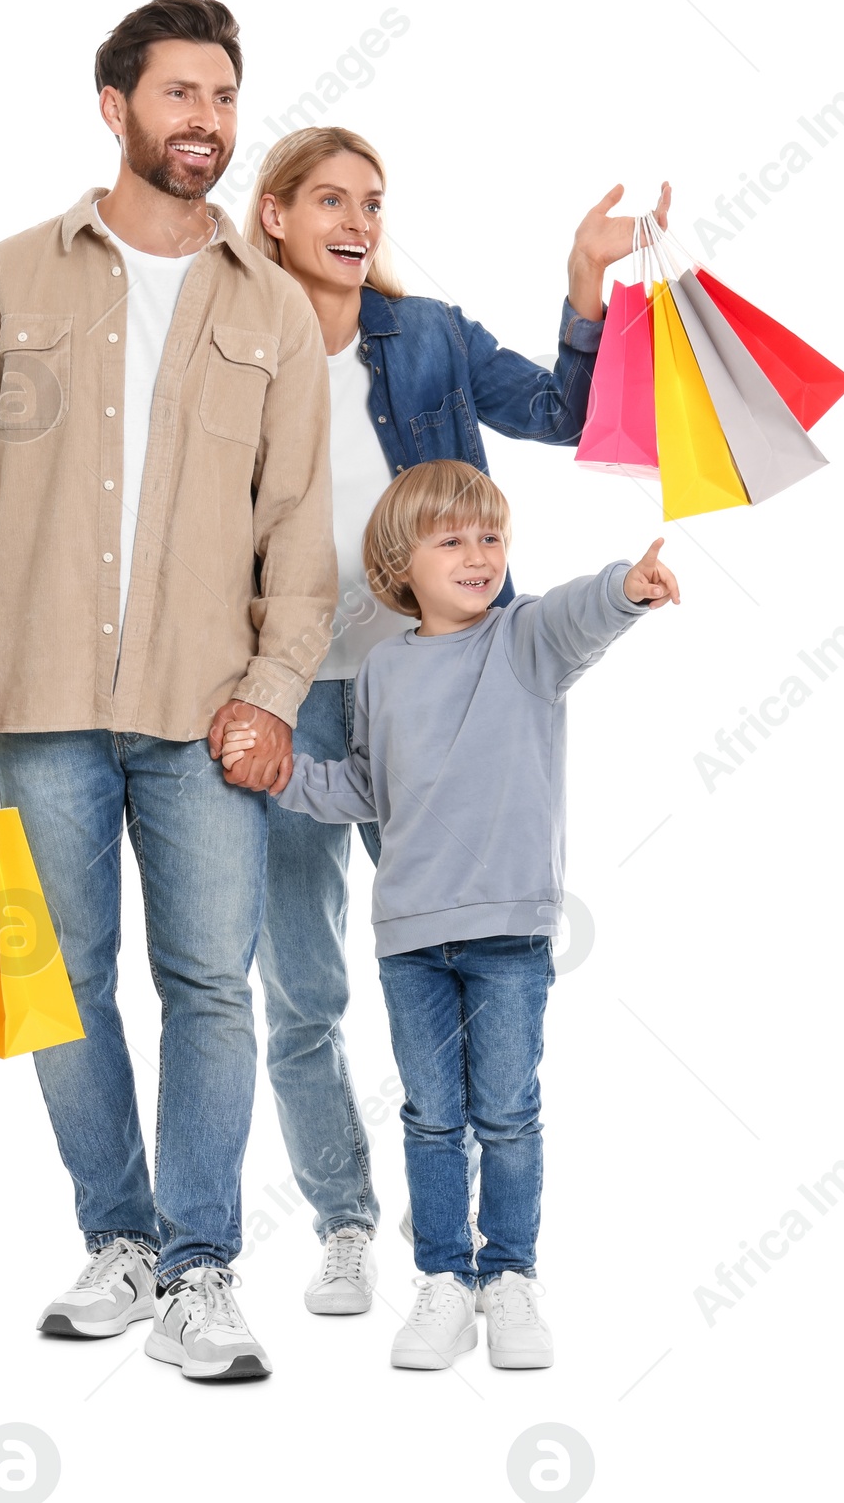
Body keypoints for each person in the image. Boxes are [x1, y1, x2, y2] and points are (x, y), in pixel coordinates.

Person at [0, 0, 337, 1383]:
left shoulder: (273, 309)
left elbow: (300, 529)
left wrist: (270, 692)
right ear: (115, 106)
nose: (206, 120)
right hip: (36, 694)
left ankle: (204, 1267)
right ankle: (122, 1240)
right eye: (179, 95)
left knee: (212, 982)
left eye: (224, 96)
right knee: (63, 986)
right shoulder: (13, 279)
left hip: (208, 709)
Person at [212, 126, 668, 1315]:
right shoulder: (225, 352)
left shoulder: (431, 340)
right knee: (302, 982)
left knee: (467, 948)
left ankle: (468, 1250)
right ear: (271, 216)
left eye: (371, 200)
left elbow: (566, 414)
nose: (357, 219)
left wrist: (587, 283)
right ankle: (347, 1220)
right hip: (288, 689)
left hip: (441, 678)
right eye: (328, 199)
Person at [222, 459, 679, 1368]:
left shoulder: (524, 641)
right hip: (413, 942)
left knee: (507, 1113)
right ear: (402, 560)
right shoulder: (383, 671)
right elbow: (360, 784)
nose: (480, 556)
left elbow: (578, 616)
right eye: (453, 540)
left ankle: (511, 1279)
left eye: (492, 537)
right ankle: (444, 1281)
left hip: (510, 935)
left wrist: (625, 589)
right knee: (433, 1117)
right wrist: (280, 775)